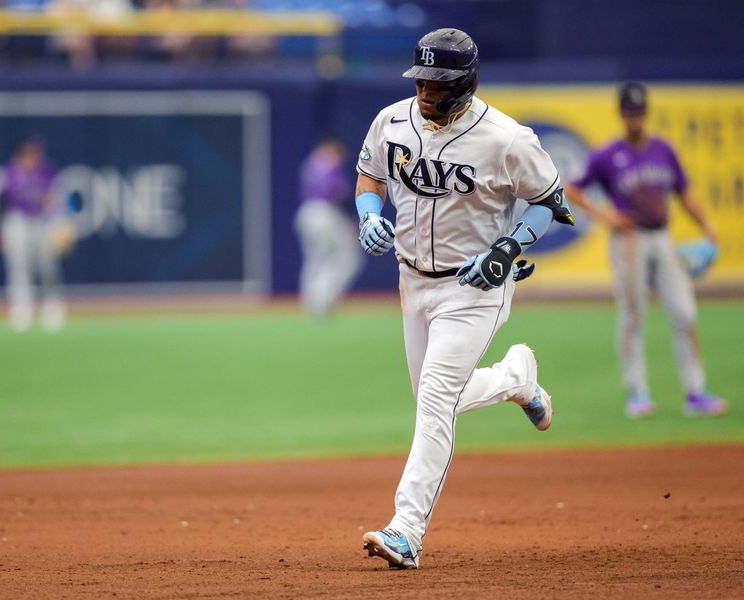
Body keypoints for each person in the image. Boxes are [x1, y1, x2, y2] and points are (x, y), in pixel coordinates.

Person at [355, 28, 574, 569]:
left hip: (475, 287)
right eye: (422, 79)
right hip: (413, 281)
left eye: (439, 82)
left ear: (466, 81)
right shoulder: (392, 120)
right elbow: (369, 176)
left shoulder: (506, 137)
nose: (426, 91)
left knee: (434, 396)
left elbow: (552, 202)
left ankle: (407, 530)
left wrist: (508, 246)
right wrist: (367, 213)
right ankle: (516, 379)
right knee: (437, 395)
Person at [564, 82, 728, 419]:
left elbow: (685, 192)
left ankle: (695, 392)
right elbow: (573, 189)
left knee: (684, 313)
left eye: (639, 112)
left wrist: (706, 225)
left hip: (662, 237)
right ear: (621, 114)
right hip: (630, 240)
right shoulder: (607, 154)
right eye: (629, 112)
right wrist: (607, 216)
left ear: (646, 113)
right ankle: (637, 392)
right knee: (633, 315)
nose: (634, 117)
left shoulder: (663, 150)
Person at [0, 136, 69, 332]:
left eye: (35, 154)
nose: (34, 157)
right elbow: (1, 201)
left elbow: (56, 198)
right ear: (21, 155)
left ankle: (52, 307)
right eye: (30, 154)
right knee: (18, 267)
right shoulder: (10, 173)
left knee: (47, 266)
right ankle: (21, 309)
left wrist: (59, 220)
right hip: (17, 220)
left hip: (42, 220)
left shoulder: (46, 171)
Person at [294, 137, 363, 316]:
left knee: (316, 259)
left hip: (306, 212)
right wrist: (350, 220)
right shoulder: (330, 164)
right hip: (325, 213)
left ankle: (311, 303)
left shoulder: (309, 163)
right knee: (349, 258)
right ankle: (323, 301)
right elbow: (338, 194)